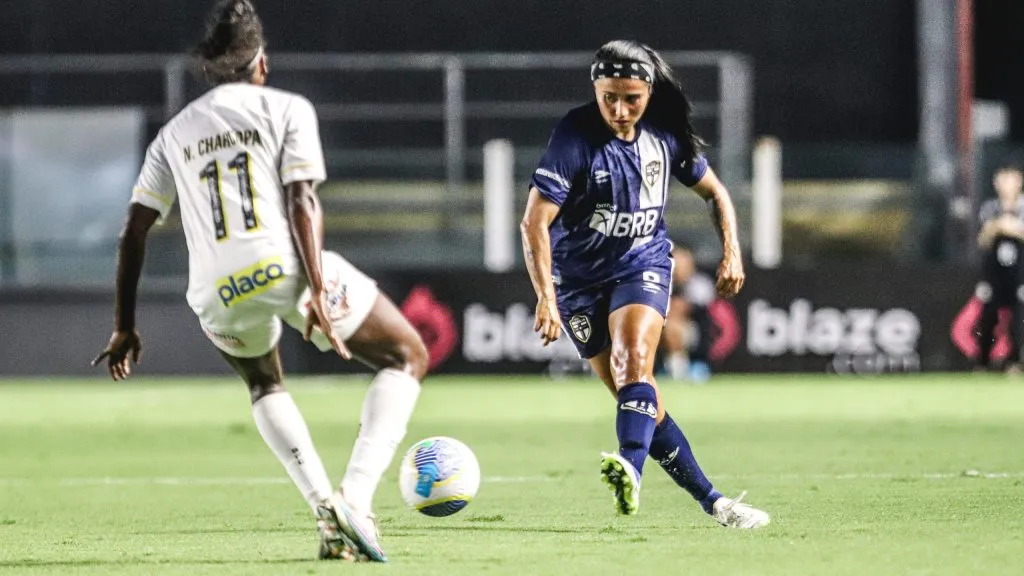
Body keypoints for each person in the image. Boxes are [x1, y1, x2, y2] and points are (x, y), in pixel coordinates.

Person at [91, 0, 427, 562]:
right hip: (286, 266)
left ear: (209, 70)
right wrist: (317, 289)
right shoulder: (288, 108)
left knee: (265, 385)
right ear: (261, 63)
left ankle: (327, 515)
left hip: (215, 291)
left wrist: (124, 326)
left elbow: (134, 230)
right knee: (407, 354)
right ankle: (357, 499)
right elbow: (302, 198)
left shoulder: (173, 134)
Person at [520, 39, 769, 528]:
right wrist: (546, 297)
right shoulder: (574, 136)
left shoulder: (665, 135)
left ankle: (629, 472)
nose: (618, 109)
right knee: (638, 400)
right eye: (608, 96)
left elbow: (715, 193)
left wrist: (732, 252)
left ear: (650, 93)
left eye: (630, 98)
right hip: (576, 284)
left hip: (642, 264)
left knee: (633, 360)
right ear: (595, 89)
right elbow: (534, 222)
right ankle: (716, 503)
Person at [974, 159, 1024, 373]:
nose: (1007, 184)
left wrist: (1009, 227)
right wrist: (999, 226)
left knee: (1019, 318)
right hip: (995, 273)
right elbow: (984, 238)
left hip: (1020, 272)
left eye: (1011, 179)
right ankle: (983, 362)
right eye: (1003, 179)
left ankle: (1015, 362)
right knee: (988, 316)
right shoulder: (990, 207)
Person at [661, 244, 716, 383]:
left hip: (694, 333)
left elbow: (680, 309)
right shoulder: (662, 281)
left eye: (681, 261)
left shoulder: (700, 284)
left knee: (671, 327)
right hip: (660, 329)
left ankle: (679, 372)